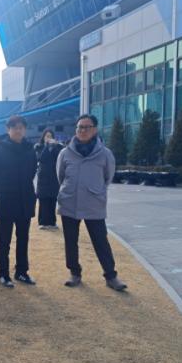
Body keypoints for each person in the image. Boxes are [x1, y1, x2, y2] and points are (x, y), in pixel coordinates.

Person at [56, 114, 127, 292]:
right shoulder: (65, 153)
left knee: (100, 240)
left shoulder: (105, 154)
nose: (82, 130)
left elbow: (108, 178)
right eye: (80, 127)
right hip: (70, 202)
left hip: (93, 204)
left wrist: (95, 190)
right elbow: (60, 176)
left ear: (95, 129)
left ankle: (111, 276)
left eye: (87, 127)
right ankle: (74, 273)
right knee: (70, 241)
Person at [0, 115, 37, 288]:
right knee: (4, 240)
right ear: (8, 130)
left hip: (25, 201)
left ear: (25, 129)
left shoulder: (30, 150)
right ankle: (3, 273)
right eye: (14, 127)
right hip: (6, 202)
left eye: (21, 127)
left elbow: (32, 172)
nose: (18, 130)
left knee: (23, 239)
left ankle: (21, 271)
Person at [34, 128, 64, 230]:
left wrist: (54, 146)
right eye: (47, 136)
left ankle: (52, 222)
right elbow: (41, 158)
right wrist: (47, 146)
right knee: (43, 200)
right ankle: (43, 222)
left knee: (53, 199)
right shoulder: (38, 147)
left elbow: (59, 158)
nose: (49, 138)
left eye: (50, 136)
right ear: (43, 137)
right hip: (43, 178)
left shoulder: (57, 147)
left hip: (54, 178)